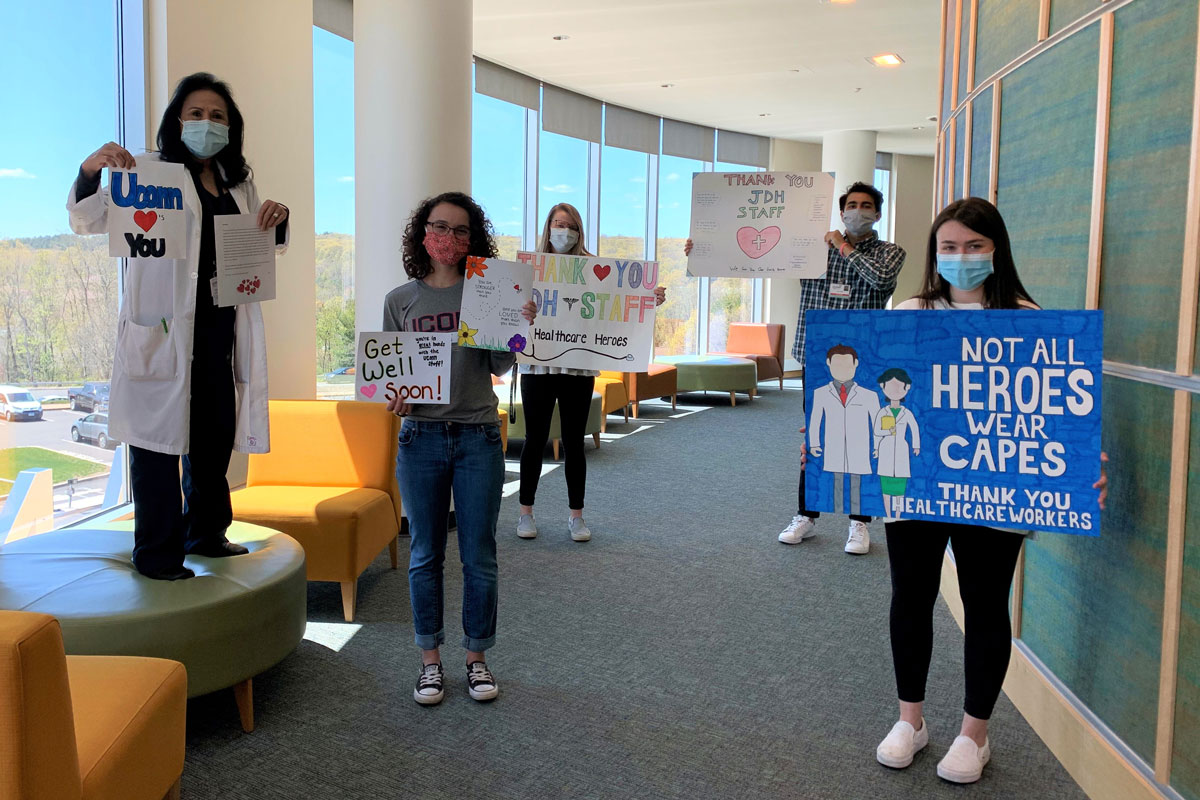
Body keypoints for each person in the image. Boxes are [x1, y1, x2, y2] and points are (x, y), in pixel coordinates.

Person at [865, 197, 1109, 783]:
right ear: (935, 253)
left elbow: (1053, 412)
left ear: (995, 250)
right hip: (917, 481)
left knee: (984, 603)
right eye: (948, 247)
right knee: (911, 595)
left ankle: (975, 733)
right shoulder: (910, 310)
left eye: (974, 246)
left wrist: (1080, 463)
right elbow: (877, 396)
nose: (961, 257)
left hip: (994, 485)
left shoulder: (1029, 318)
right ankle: (911, 720)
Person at [66, 72, 289, 581]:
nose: (205, 123)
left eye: (217, 116)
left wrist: (279, 220)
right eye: (195, 113)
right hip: (162, 331)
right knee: (156, 447)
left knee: (212, 437)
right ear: (176, 120)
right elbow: (85, 220)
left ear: (231, 129)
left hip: (219, 328)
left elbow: (258, 248)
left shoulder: (239, 184)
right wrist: (89, 170)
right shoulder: (145, 170)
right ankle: (158, 554)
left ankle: (207, 534)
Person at [686, 181, 905, 553]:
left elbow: (880, 279)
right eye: (851, 205)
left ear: (878, 213)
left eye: (866, 205)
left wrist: (843, 245)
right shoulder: (812, 248)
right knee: (815, 437)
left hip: (865, 354)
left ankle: (858, 523)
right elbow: (754, 255)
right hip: (817, 355)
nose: (858, 211)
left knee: (862, 438)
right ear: (841, 211)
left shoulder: (889, 252)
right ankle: (807, 515)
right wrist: (704, 250)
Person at [384, 192, 536, 706]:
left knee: (480, 555)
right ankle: (430, 662)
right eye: (439, 226)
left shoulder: (486, 293)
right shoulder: (400, 300)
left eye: (460, 230)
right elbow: (392, 374)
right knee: (424, 553)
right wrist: (396, 397)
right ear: (421, 232)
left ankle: (477, 659)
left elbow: (499, 366)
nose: (448, 238)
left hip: (477, 436)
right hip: (420, 437)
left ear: (474, 240)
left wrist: (517, 324)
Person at [516, 203, 664, 543]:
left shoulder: (595, 268)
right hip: (537, 364)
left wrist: (650, 297)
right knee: (534, 439)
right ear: (547, 227)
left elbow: (622, 301)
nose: (563, 231)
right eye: (557, 223)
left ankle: (576, 517)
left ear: (579, 232)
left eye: (569, 226)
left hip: (579, 368)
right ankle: (525, 513)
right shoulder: (530, 269)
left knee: (573, 441)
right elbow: (510, 307)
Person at [807, 344, 879, 525]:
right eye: (837, 365)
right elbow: (815, 420)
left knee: (856, 480)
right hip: (834, 444)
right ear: (828, 364)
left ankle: (858, 521)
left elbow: (878, 423)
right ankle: (835, 506)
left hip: (859, 446)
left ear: (856, 364)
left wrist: (879, 446)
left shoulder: (869, 395)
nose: (842, 370)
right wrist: (814, 443)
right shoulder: (821, 393)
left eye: (847, 365)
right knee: (836, 478)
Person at [872, 368, 920, 519]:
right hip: (885, 448)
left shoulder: (907, 413)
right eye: (890, 386)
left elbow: (914, 428)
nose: (895, 390)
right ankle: (887, 514)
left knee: (900, 489)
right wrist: (876, 447)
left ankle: (898, 515)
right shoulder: (882, 412)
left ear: (907, 387)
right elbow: (876, 431)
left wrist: (916, 445)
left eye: (899, 386)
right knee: (886, 489)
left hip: (901, 449)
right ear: (882, 387)